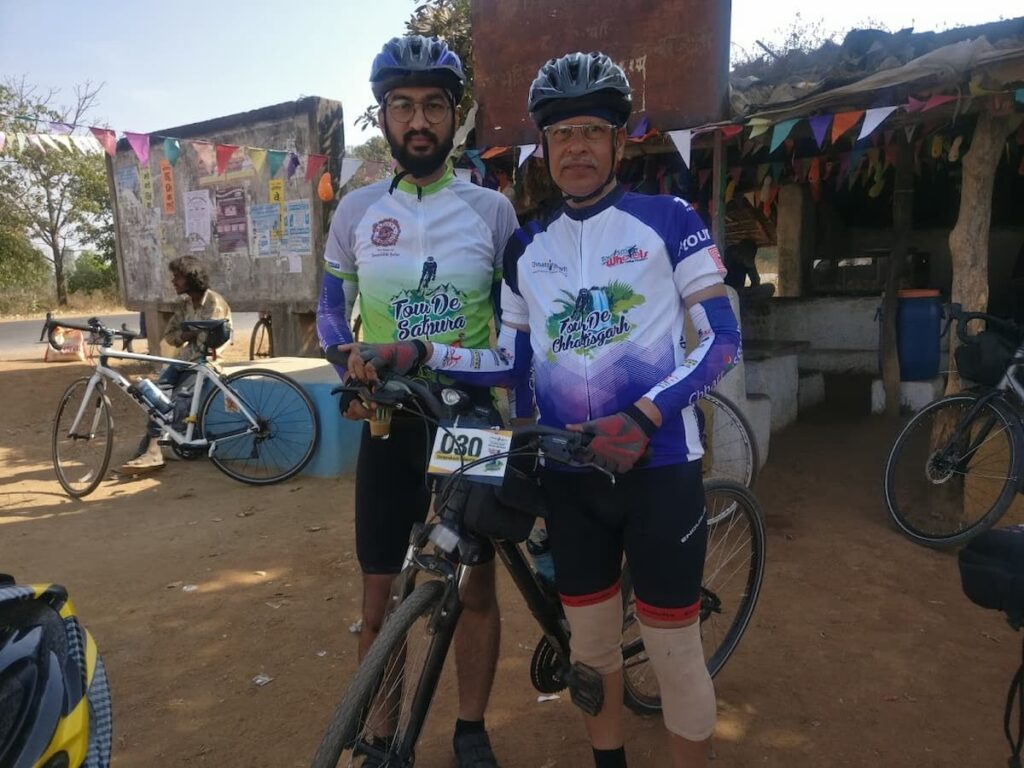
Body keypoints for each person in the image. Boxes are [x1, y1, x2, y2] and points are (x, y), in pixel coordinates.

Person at [341, 52, 741, 768]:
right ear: (544, 148)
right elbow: (509, 362)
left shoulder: (667, 220)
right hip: (572, 475)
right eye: (561, 135)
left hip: (660, 466)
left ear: (621, 140)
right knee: (589, 657)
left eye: (592, 131)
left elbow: (722, 341)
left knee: (675, 654)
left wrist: (648, 415)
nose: (577, 148)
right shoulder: (528, 246)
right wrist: (422, 352)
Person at [315, 34, 519, 768]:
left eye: (433, 104)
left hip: (470, 421)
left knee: (476, 586)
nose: (418, 120)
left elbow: (518, 331)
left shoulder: (493, 212)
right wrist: (348, 357)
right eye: (402, 106)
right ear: (384, 119)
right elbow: (330, 312)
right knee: (378, 596)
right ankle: (378, 732)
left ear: (455, 115)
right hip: (388, 421)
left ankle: (470, 727)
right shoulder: (357, 210)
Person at [121, 256, 231, 472]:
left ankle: (153, 449)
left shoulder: (214, 303)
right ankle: (152, 447)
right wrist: (187, 334)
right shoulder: (184, 305)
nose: (174, 282)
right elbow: (171, 336)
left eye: (178, 277)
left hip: (205, 362)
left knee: (178, 398)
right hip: (182, 360)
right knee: (152, 394)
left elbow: (209, 339)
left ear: (191, 279)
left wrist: (190, 333)